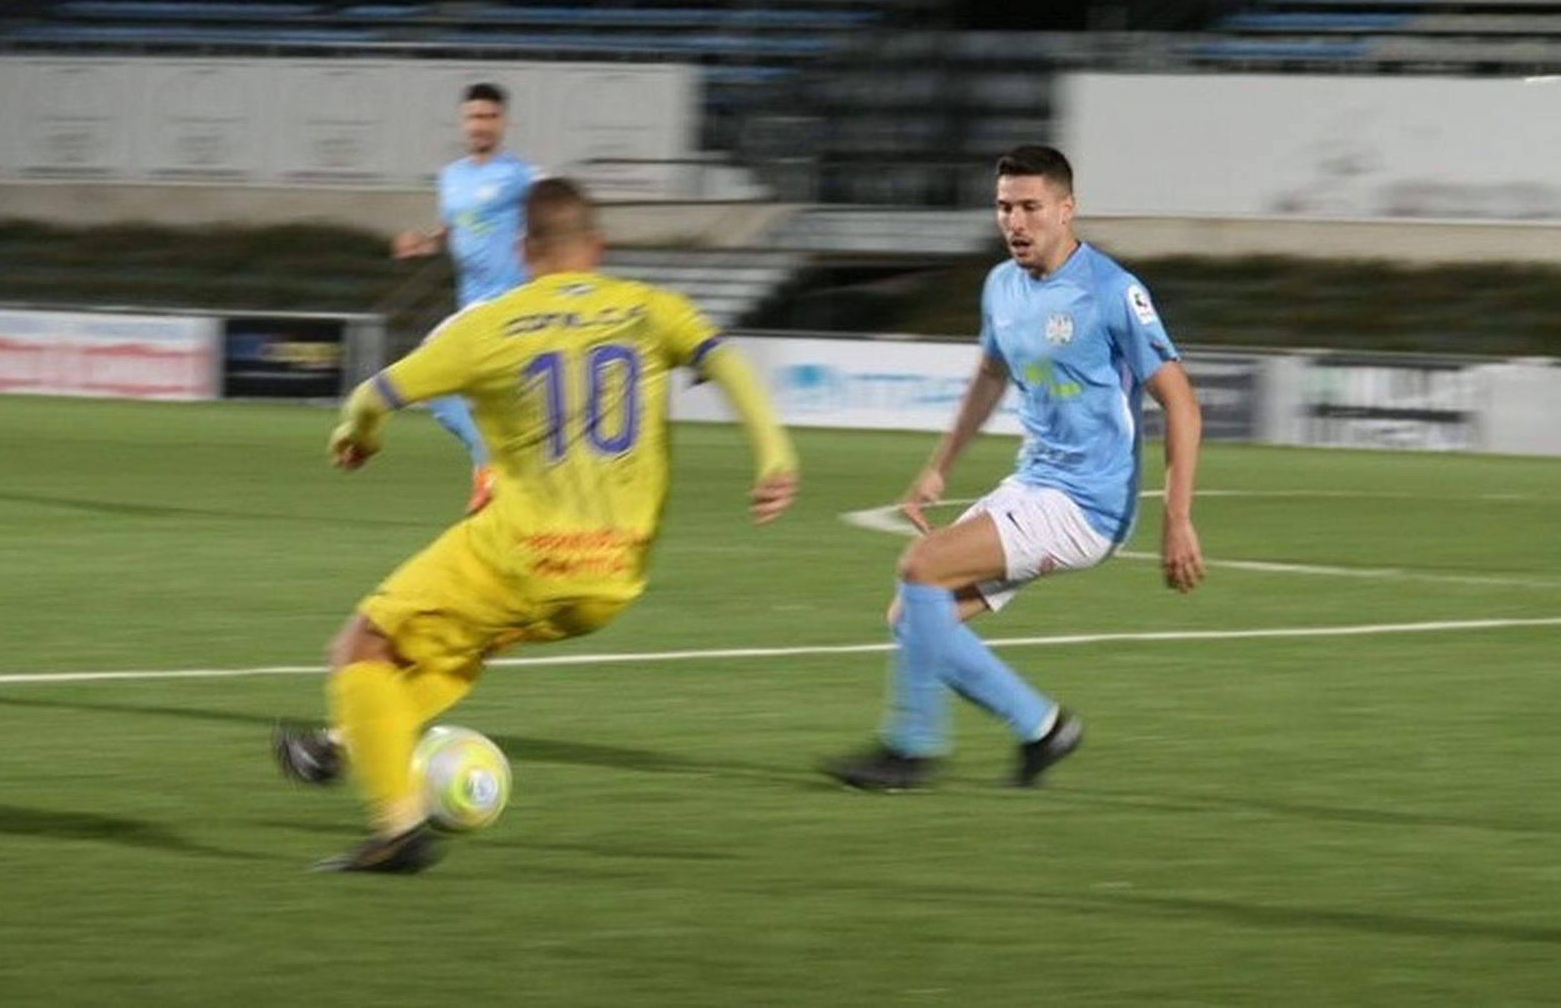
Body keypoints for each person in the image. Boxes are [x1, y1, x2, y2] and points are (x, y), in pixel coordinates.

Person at [276, 178, 799, 872]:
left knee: (361, 648)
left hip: (520, 557)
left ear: (524, 251)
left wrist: (359, 436)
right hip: (611, 580)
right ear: (598, 245)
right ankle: (344, 742)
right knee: (449, 651)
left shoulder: (488, 326)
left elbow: (373, 396)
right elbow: (725, 360)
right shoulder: (649, 309)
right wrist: (773, 455)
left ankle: (397, 828)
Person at [822, 145, 1205, 791]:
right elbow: (990, 375)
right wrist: (936, 468)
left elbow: (1183, 404)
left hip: (1088, 505)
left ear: (1066, 208)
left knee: (920, 565)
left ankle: (911, 750)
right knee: (912, 618)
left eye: (1030, 207)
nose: (1016, 222)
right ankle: (1044, 728)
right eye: (1004, 207)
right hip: (1033, 485)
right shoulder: (1001, 285)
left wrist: (1178, 519)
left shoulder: (1112, 291)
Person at [392, 82, 542, 513]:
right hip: (471, 303)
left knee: (429, 374)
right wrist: (424, 242)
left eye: (489, 117)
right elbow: (455, 227)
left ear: (503, 123)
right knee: (472, 397)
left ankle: (487, 462)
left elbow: (558, 203)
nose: (480, 125)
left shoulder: (520, 175)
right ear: (463, 123)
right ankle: (506, 477)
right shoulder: (452, 177)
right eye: (474, 117)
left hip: (506, 301)